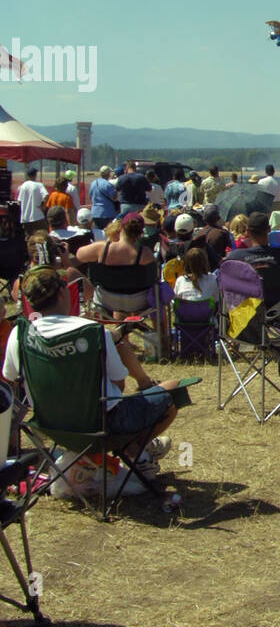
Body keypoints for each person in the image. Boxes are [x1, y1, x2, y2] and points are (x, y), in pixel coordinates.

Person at [5, 266, 180, 474]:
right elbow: (119, 384)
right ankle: (135, 449)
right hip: (102, 428)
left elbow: (11, 379)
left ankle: (136, 450)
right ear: (63, 293)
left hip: (52, 428)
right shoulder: (93, 332)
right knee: (174, 389)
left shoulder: (18, 334)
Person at [76, 212, 159, 318]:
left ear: (121, 228)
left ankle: (121, 331)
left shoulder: (102, 248)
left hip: (106, 300)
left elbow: (79, 255)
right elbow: (155, 276)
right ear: (140, 233)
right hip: (138, 302)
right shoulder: (146, 253)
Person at [234, 212, 280, 317]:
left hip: (246, 312)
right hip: (278, 309)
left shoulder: (235, 257)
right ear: (269, 229)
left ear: (248, 232)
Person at [89, 165, 119, 234]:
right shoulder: (108, 185)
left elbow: (90, 197)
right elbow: (114, 198)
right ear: (108, 174)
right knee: (108, 233)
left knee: (97, 233)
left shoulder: (93, 183)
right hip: (107, 212)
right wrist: (116, 191)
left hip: (95, 212)